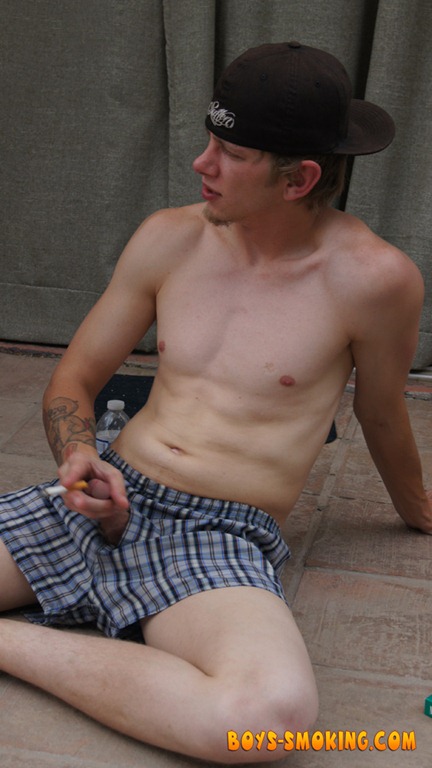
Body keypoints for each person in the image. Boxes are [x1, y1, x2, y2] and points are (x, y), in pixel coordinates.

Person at [0, 41, 431, 764]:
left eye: (231, 153)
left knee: (268, 719)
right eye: (210, 141)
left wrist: (419, 507)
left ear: (300, 178)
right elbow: (73, 379)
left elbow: (381, 412)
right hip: (106, 492)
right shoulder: (168, 238)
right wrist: (78, 459)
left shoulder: (373, 279)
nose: (202, 164)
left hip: (218, 534)